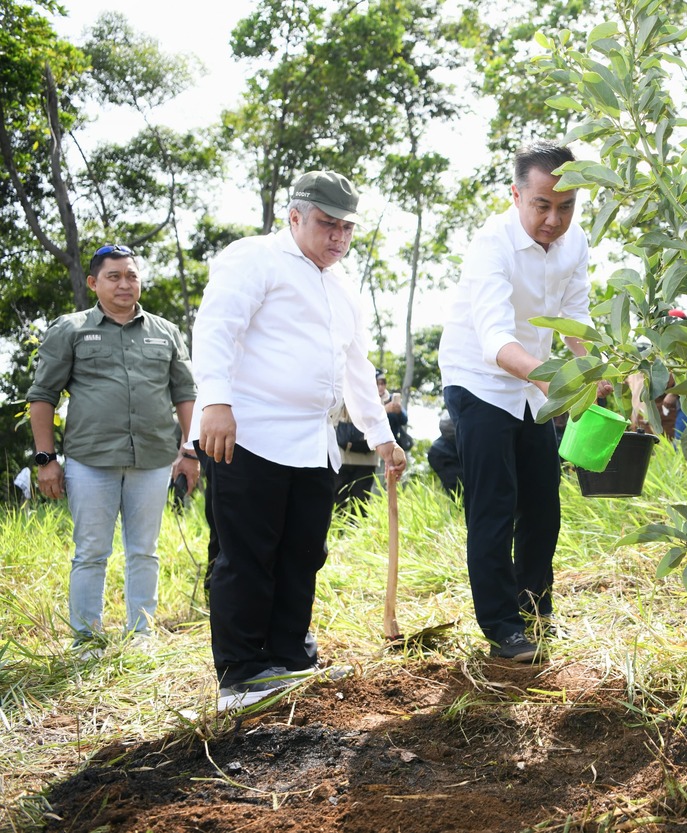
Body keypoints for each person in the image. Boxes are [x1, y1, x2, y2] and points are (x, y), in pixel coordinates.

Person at [192, 170, 404, 709]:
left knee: (303, 553)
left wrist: (380, 436)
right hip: (248, 435)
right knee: (245, 556)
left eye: (346, 228)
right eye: (327, 224)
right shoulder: (253, 257)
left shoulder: (342, 283)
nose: (338, 237)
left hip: (315, 443)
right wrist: (215, 401)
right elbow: (217, 327)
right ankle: (241, 674)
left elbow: (356, 366)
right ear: (294, 217)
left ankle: (288, 658)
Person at [438, 140, 606, 661]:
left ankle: (535, 611)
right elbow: (493, 341)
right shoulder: (492, 244)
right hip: (480, 379)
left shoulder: (574, 242)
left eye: (567, 206)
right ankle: (502, 628)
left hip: (536, 384)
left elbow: (574, 317)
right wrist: (558, 380)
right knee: (495, 504)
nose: (554, 219)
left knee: (543, 504)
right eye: (542, 205)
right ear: (516, 195)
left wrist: (595, 371)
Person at [27, 243, 198, 650]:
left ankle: (141, 635)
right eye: (114, 276)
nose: (125, 284)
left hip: (154, 459)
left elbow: (186, 395)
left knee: (145, 551)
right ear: (93, 282)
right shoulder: (70, 329)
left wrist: (189, 453)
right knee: (90, 552)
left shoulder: (166, 332)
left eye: (132, 275)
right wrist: (46, 459)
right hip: (91, 461)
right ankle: (86, 640)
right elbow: (42, 396)